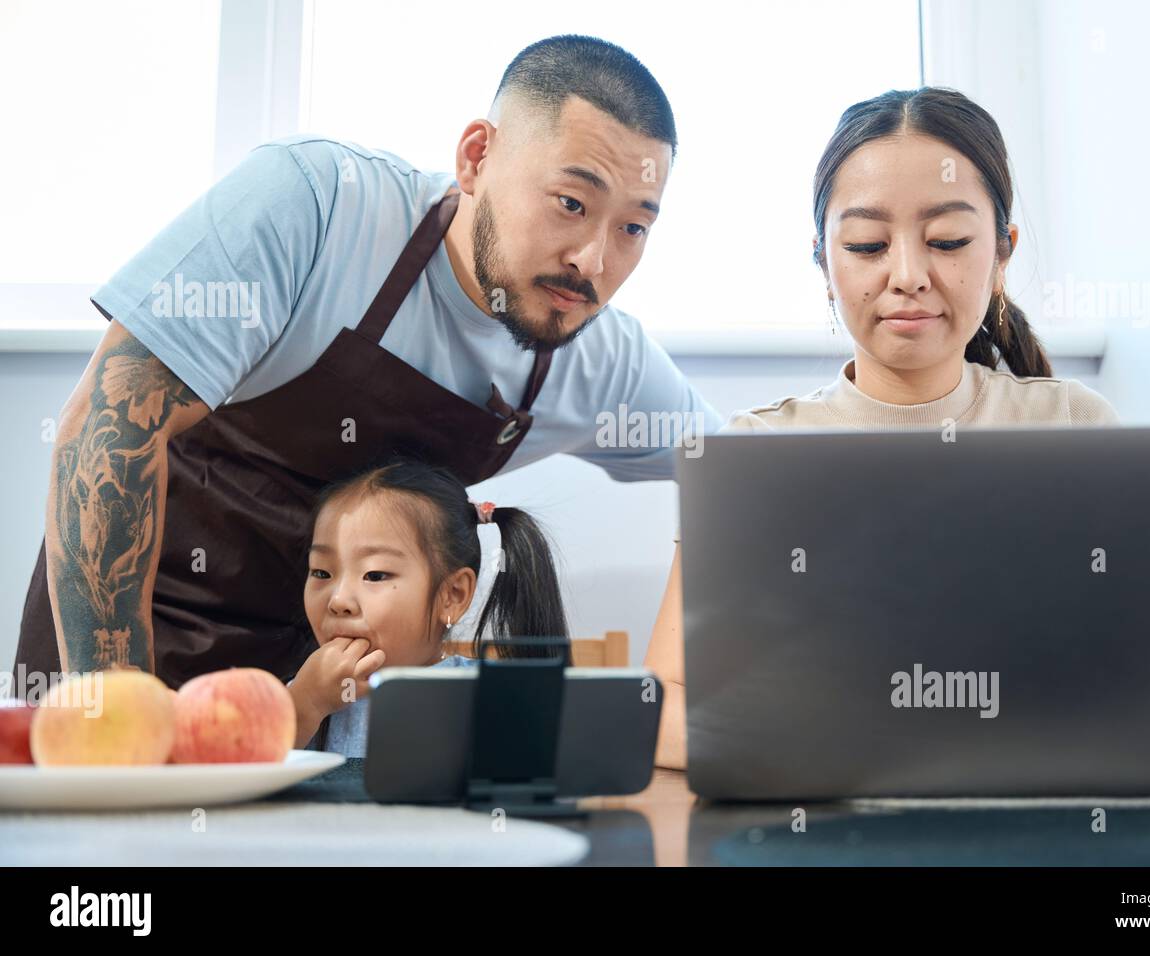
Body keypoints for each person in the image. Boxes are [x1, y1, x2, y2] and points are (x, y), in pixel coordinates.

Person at [16, 34, 720, 692]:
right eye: (571, 203)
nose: (594, 260)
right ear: (477, 157)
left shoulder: (602, 361)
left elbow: (749, 470)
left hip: (323, 700)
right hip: (137, 643)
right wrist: (114, 706)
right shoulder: (317, 207)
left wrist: (677, 692)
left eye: (633, 227)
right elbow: (110, 428)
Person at [644, 87, 1120, 769]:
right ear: (823, 259)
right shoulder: (752, 454)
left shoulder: (1075, 427)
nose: (907, 276)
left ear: (1003, 249)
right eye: (867, 245)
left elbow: (1145, 674)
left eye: (948, 241)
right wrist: (837, 748)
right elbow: (661, 701)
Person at [287, 455, 567, 756]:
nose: (338, 600)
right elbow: (243, 770)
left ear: (453, 596)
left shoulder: (490, 694)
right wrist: (306, 706)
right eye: (321, 572)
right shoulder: (302, 694)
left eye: (375, 574)